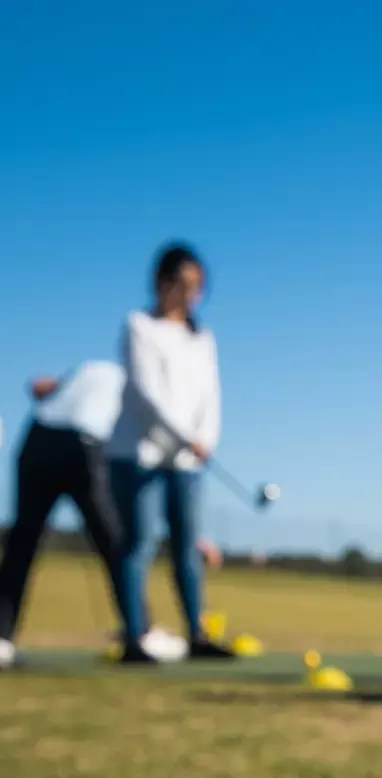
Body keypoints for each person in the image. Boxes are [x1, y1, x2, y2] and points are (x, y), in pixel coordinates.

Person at [0, 361, 189, 668]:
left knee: (21, 542)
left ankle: (1, 638)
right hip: (83, 445)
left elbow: (43, 387)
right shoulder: (138, 385)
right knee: (114, 542)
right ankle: (140, 633)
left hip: (36, 440)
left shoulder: (90, 369)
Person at [106, 243, 233, 665]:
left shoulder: (202, 337)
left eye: (198, 287)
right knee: (139, 544)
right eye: (183, 285)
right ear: (162, 284)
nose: (191, 295)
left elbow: (210, 394)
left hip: (187, 460)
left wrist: (205, 438)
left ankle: (196, 632)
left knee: (185, 547)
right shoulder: (139, 326)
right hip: (138, 455)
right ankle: (134, 636)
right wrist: (184, 435)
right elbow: (148, 392)